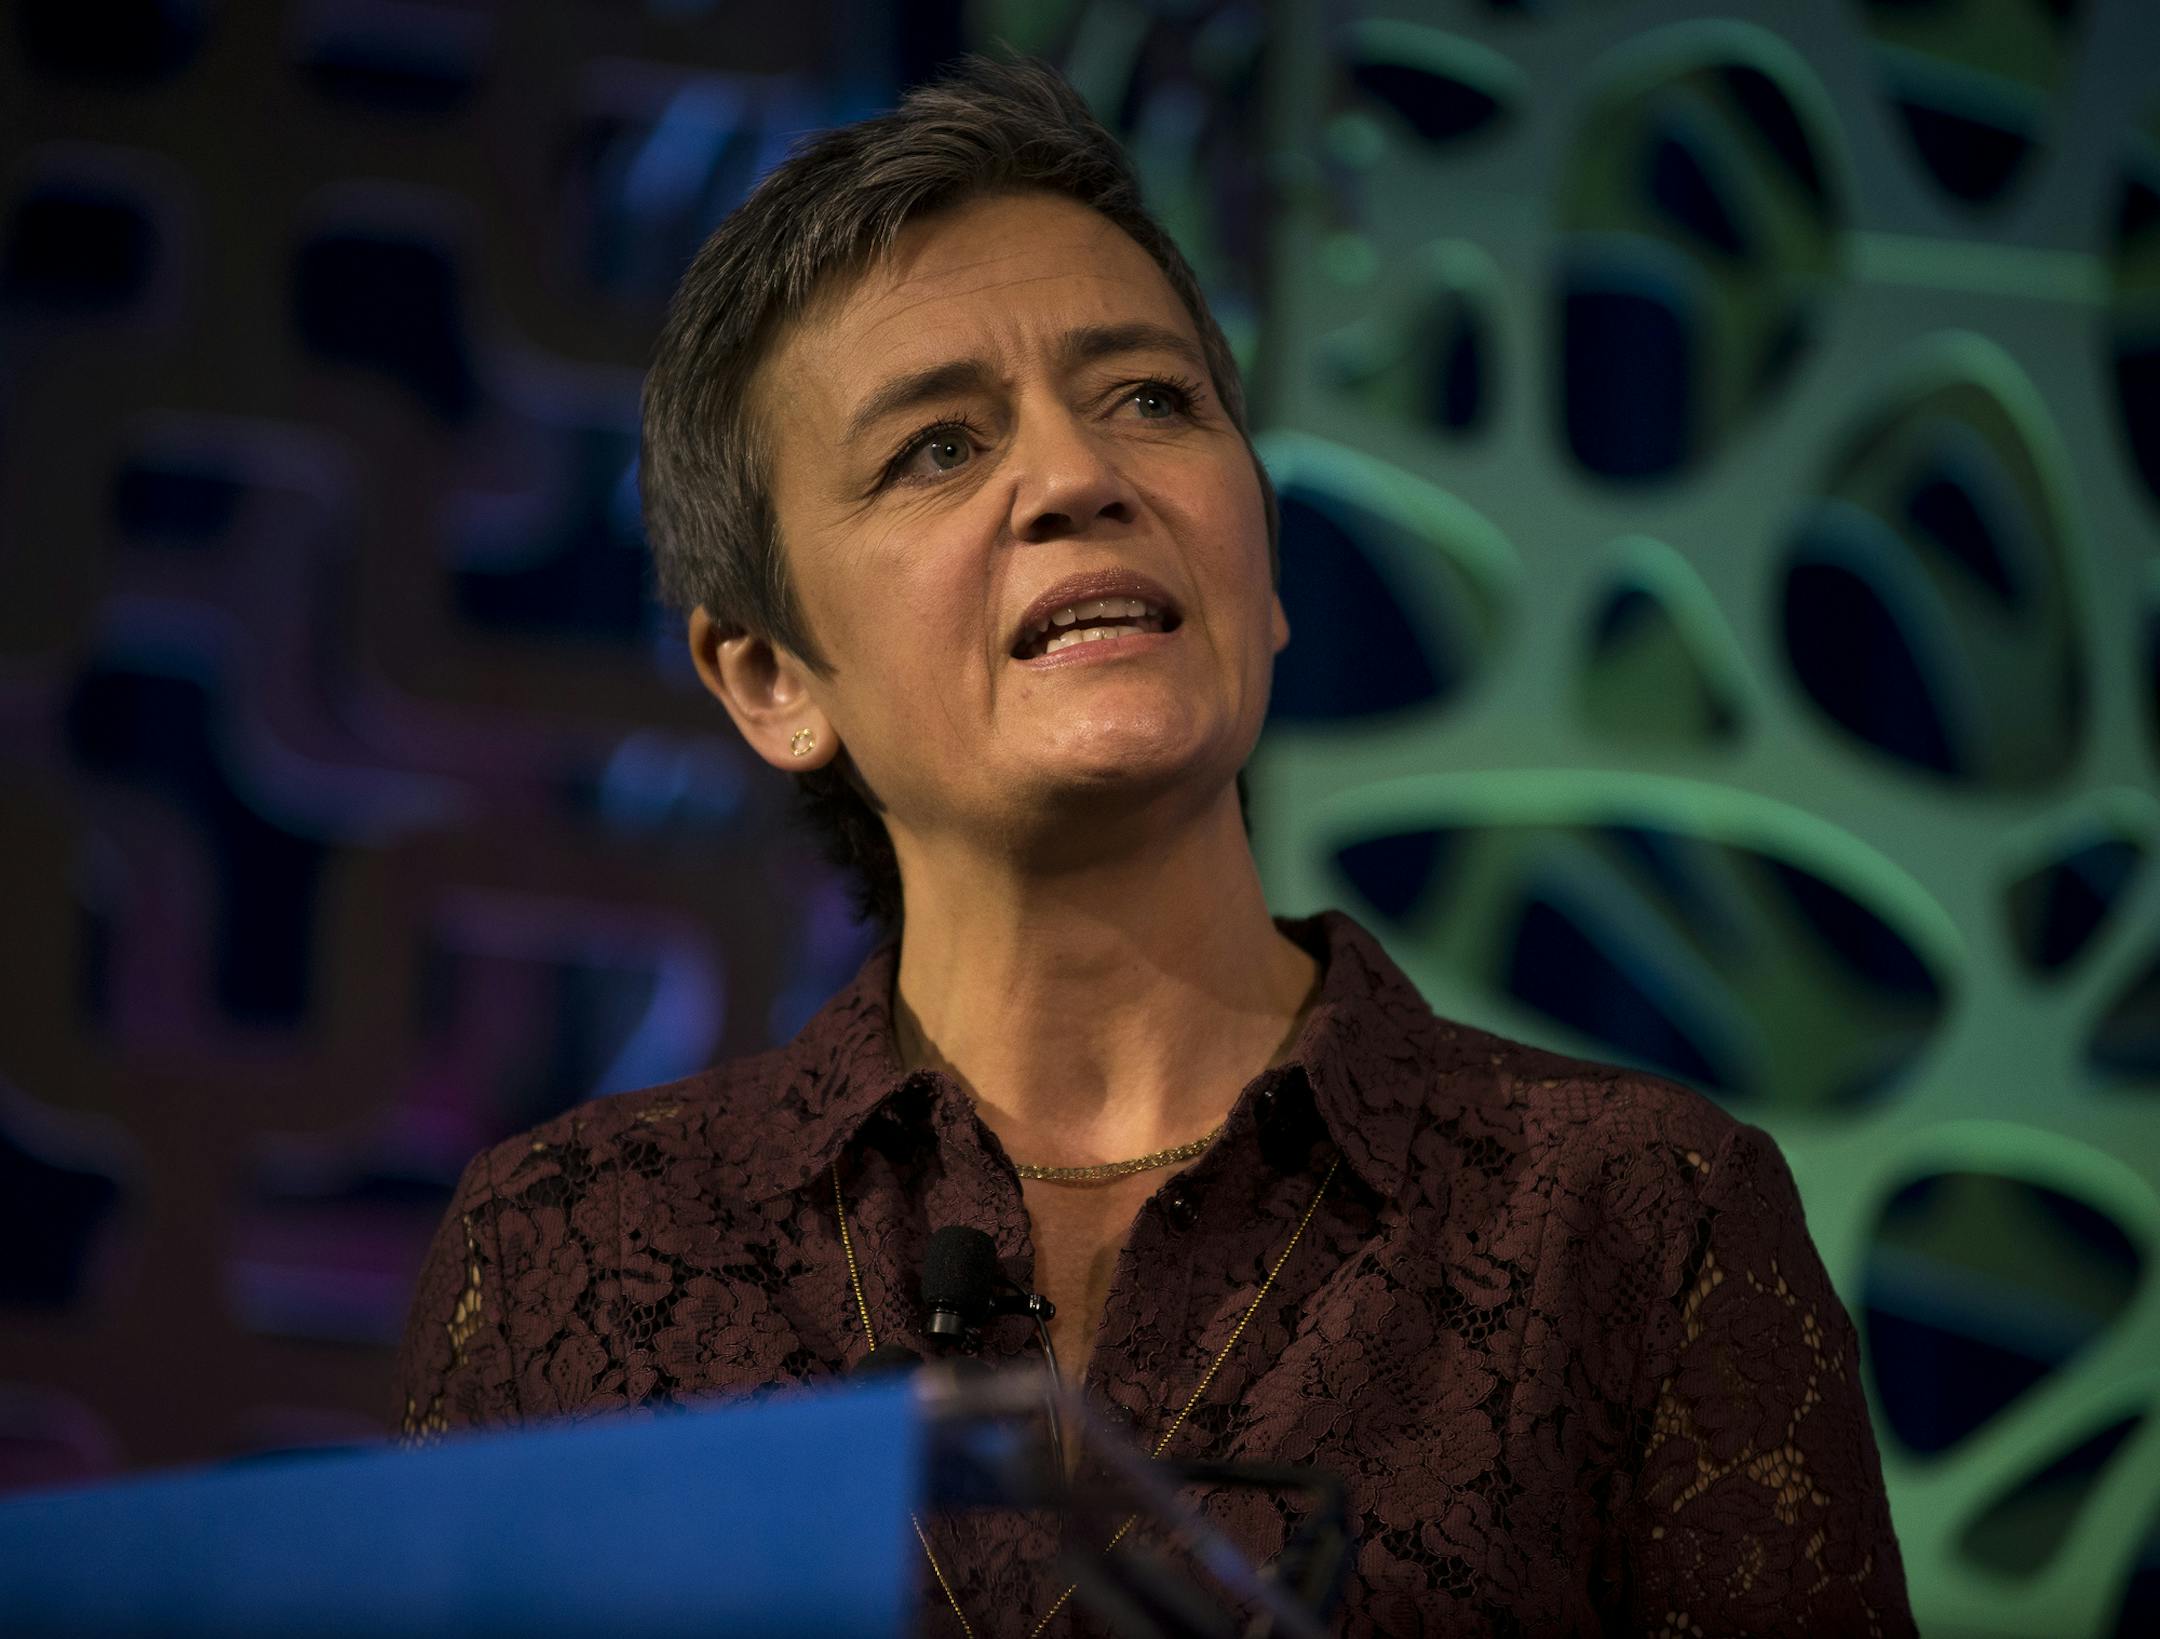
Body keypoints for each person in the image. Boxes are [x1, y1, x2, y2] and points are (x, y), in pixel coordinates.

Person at [394, 54, 1911, 1637]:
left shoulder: (1636, 1218)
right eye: (937, 447)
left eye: (1149, 400)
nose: (1078, 478)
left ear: (1259, 571)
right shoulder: (569, 1252)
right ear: (771, 679)